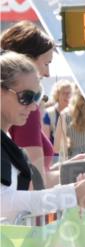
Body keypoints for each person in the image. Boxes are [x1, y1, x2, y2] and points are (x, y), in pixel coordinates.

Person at [1, 51, 85, 223]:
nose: (33, 107)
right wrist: (72, 194)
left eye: (37, 97)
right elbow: (3, 203)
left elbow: (27, 189)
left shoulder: (6, 138)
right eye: (25, 97)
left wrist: (68, 169)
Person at [1, 21, 57, 176]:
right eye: (46, 63)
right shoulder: (24, 110)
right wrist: (76, 178)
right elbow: (34, 179)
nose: (47, 73)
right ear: (27, 61)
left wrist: (68, 169)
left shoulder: (17, 107)